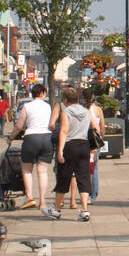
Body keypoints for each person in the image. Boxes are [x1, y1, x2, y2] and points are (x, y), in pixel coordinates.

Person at [11, 84, 59, 219]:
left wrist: (11, 138)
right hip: (46, 138)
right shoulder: (48, 106)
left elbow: (19, 125)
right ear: (43, 93)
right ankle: (43, 201)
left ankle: (30, 197)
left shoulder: (27, 106)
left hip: (31, 138)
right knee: (42, 171)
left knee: (26, 169)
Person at [55, 86, 93, 222]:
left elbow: (64, 131)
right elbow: (93, 126)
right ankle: (84, 210)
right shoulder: (86, 111)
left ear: (65, 100)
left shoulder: (66, 112)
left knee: (64, 176)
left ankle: (56, 209)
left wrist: (59, 151)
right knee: (83, 177)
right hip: (84, 145)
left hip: (70, 145)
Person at [81, 88, 104, 203]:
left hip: (86, 139)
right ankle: (93, 193)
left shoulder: (84, 109)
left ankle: (91, 193)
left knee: (87, 167)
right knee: (94, 166)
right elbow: (102, 126)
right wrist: (101, 137)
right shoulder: (98, 109)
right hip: (96, 139)